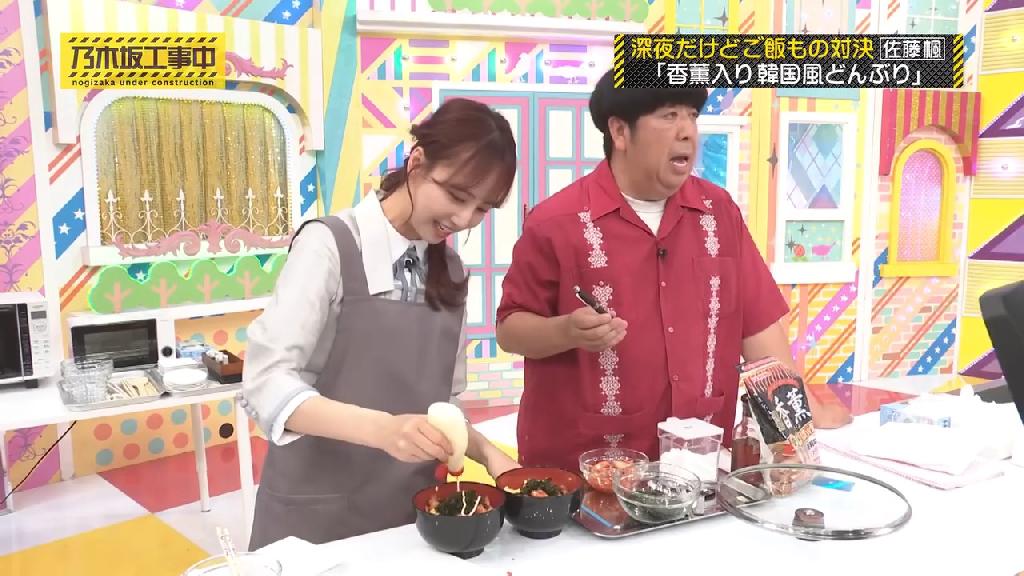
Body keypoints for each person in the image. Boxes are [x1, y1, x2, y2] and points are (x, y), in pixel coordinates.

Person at [495, 70, 852, 473]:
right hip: (586, 472)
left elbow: (758, 330)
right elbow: (510, 329)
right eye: (668, 116)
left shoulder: (719, 213)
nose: (687, 132)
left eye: (692, 116)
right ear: (620, 132)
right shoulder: (555, 222)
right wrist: (566, 331)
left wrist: (802, 413)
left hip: (698, 467)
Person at [241, 98, 522, 549]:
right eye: (456, 195)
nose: (463, 219)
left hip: (411, 515)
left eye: (482, 209)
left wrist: (490, 455)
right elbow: (266, 382)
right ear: (417, 162)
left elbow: (446, 405)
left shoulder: (451, 272)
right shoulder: (329, 245)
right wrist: (384, 431)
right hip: (316, 516)